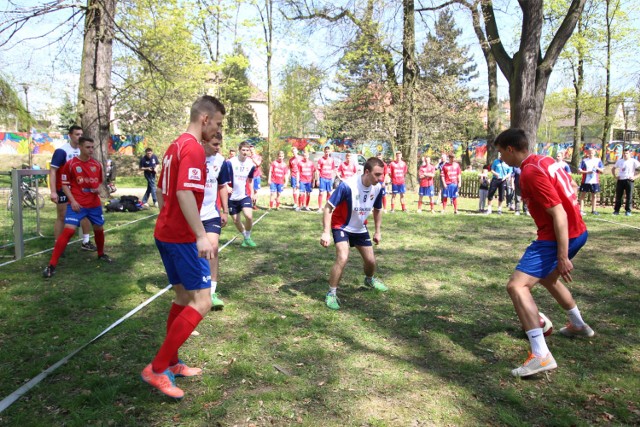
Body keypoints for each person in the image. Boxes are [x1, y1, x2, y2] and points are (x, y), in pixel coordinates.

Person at [141, 95, 225, 400]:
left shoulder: (175, 145)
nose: (216, 130)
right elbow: (183, 193)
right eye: (216, 123)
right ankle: (157, 367)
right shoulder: (190, 147)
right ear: (204, 118)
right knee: (202, 301)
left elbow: (163, 192)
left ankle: (172, 362)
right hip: (181, 238)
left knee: (181, 296)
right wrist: (200, 234)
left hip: (165, 233)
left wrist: (168, 218)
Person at [493, 128, 593, 378]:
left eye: (500, 152)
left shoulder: (529, 172)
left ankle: (540, 354)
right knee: (548, 278)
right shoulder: (545, 161)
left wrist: (562, 255)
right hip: (579, 231)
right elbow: (570, 185)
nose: (500, 158)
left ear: (510, 149)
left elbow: (558, 213)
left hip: (557, 237)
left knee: (517, 286)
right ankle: (579, 325)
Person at [320, 157, 388, 310]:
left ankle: (369, 280)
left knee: (371, 262)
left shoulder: (378, 188)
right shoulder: (348, 186)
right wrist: (325, 232)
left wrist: (377, 231)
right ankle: (331, 293)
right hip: (342, 226)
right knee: (343, 257)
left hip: (359, 227)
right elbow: (328, 207)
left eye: (381, 174)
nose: (380, 178)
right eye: (377, 174)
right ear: (367, 172)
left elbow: (378, 209)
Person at [42, 137, 112, 278]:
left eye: (92, 147)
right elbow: (65, 185)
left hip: (93, 204)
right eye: (88, 147)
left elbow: (99, 181)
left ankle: (101, 254)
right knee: (69, 230)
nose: (91, 150)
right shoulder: (71, 164)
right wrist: (72, 201)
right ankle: (51, 265)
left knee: (99, 228)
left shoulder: (97, 165)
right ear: (80, 147)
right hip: (77, 203)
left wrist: (97, 188)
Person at [48, 125, 96, 250]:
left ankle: (86, 242)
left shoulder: (83, 151)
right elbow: (52, 171)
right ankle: (58, 245)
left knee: (85, 215)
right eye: (77, 134)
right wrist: (53, 191)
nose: (80, 136)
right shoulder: (61, 151)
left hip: (80, 190)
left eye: (81, 134)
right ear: (70, 135)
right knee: (62, 217)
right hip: (63, 189)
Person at [200, 132, 230, 310]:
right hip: (192, 213)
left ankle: (212, 292)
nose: (218, 148)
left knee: (212, 247)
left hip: (211, 212)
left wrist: (225, 210)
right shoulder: (193, 158)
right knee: (194, 251)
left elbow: (222, 186)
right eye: (215, 144)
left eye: (220, 144)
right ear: (204, 142)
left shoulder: (221, 161)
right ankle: (194, 289)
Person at [227, 141, 257, 247]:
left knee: (248, 216)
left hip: (244, 195)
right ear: (239, 150)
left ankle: (248, 236)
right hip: (231, 197)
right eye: (243, 150)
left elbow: (250, 180)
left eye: (247, 150)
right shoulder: (230, 162)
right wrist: (226, 186)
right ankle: (245, 237)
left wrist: (253, 193)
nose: (245, 152)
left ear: (249, 151)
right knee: (236, 221)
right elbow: (223, 177)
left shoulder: (251, 164)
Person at [612, 148, 640, 216]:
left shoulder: (634, 161)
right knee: (618, 196)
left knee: (629, 196)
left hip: (629, 180)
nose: (625, 155)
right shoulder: (620, 161)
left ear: (630, 154)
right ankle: (616, 211)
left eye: (627, 153)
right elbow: (613, 168)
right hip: (621, 180)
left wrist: (635, 177)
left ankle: (628, 211)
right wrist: (615, 176)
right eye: (624, 153)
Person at [578, 148, 604, 215]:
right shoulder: (584, 161)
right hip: (585, 181)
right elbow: (579, 171)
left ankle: (594, 210)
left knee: (594, 196)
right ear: (587, 153)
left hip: (594, 181)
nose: (591, 153)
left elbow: (602, 171)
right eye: (589, 152)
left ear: (595, 153)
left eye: (592, 152)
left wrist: (597, 168)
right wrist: (587, 172)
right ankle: (581, 210)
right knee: (582, 195)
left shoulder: (598, 160)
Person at [316, 146, 336, 212]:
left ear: (330, 152)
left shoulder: (332, 160)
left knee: (329, 193)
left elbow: (333, 169)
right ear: (324, 152)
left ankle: (327, 208)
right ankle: (319, 208)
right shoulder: (321, 160)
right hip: (322, 178)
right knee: (321, 193)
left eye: (328, 152)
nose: (327, 153)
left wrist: (332, 179)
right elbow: (318, 170)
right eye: (326, 151)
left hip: (329, 179)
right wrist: (318, 179)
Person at [249, 145, 263, 210]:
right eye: (250, 150)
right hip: (250, 176)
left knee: (256, 190)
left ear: (254, 150)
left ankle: (254, 204)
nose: (251, 151)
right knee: (249, 190)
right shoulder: (247, 158)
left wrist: (253, 159)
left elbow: (258, 164)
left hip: (257, 175)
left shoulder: (258, 157)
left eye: (252, 150)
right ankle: (249, 204)